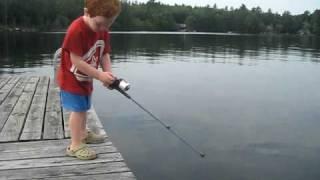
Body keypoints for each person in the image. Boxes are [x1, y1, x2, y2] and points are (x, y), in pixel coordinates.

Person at [56, 0, 121, 160]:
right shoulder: (76, 30)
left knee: (84, 107)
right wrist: (99, 75)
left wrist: (108, 74)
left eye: (108, 25)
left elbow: (104, 53)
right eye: (99, 24)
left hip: (86, 77)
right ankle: (75, 145)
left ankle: (83, 133)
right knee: (78, 110)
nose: (103, 29)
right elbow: (76, 61)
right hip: (70, 78)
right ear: (86, 12)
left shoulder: (103, 29)